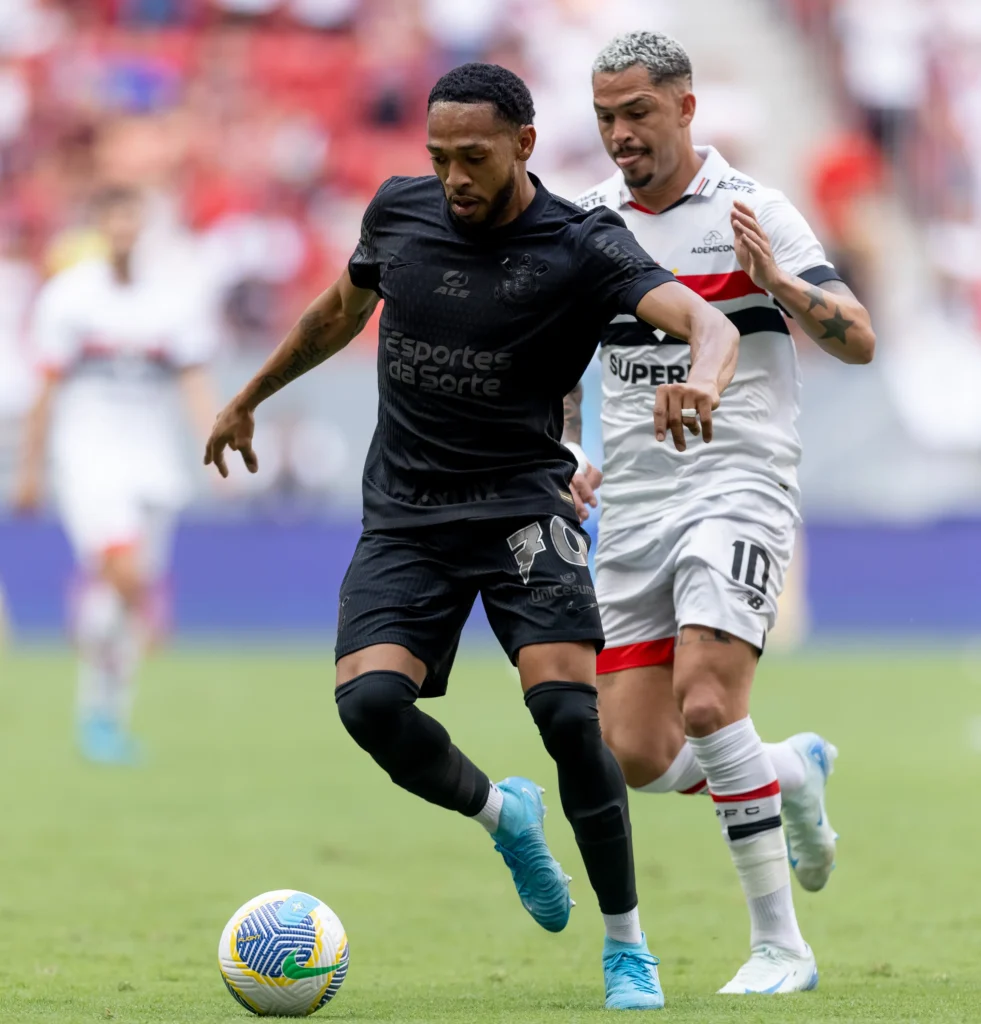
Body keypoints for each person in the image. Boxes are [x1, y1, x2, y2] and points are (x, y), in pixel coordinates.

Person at [205, 62, 739, 1011]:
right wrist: (249, 396)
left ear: (523, 145)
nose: (453, 176)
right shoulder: (398, 212)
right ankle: (504, 816)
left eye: (474, 157)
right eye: (439, 156)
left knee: (570, 718)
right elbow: (337, 313)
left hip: (522, 506)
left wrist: (701, 376)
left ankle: (627, 947)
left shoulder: (581, 243)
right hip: (407, 514)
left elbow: (705, 323)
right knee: (371, 706)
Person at [564, 31, 876, 995]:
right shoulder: (588, 224)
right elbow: (554, 362)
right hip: (634, 505)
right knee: (636, 751)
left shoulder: (754, 210)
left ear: (685, 107)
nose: (620, 133)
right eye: (605, 117)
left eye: (637, 112)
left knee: (707, 700)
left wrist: (776, 285)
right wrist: (566, 447)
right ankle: (790, 771)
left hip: (737, 482)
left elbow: (858, 339)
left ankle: (781, 947)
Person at [14, 186, 218, 765]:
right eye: (115, 218)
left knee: (113, 604)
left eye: (133, 218)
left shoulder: (171, 301)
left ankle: (104, 717)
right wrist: (30, 467)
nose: (124, 228)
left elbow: (193, 379)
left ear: (144, 225)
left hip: (154, 463)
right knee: (128, 576)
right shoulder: (69, 297)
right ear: (99, 226)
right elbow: (46, 386)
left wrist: (216, 444)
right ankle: (145, 607)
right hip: (89, 460)